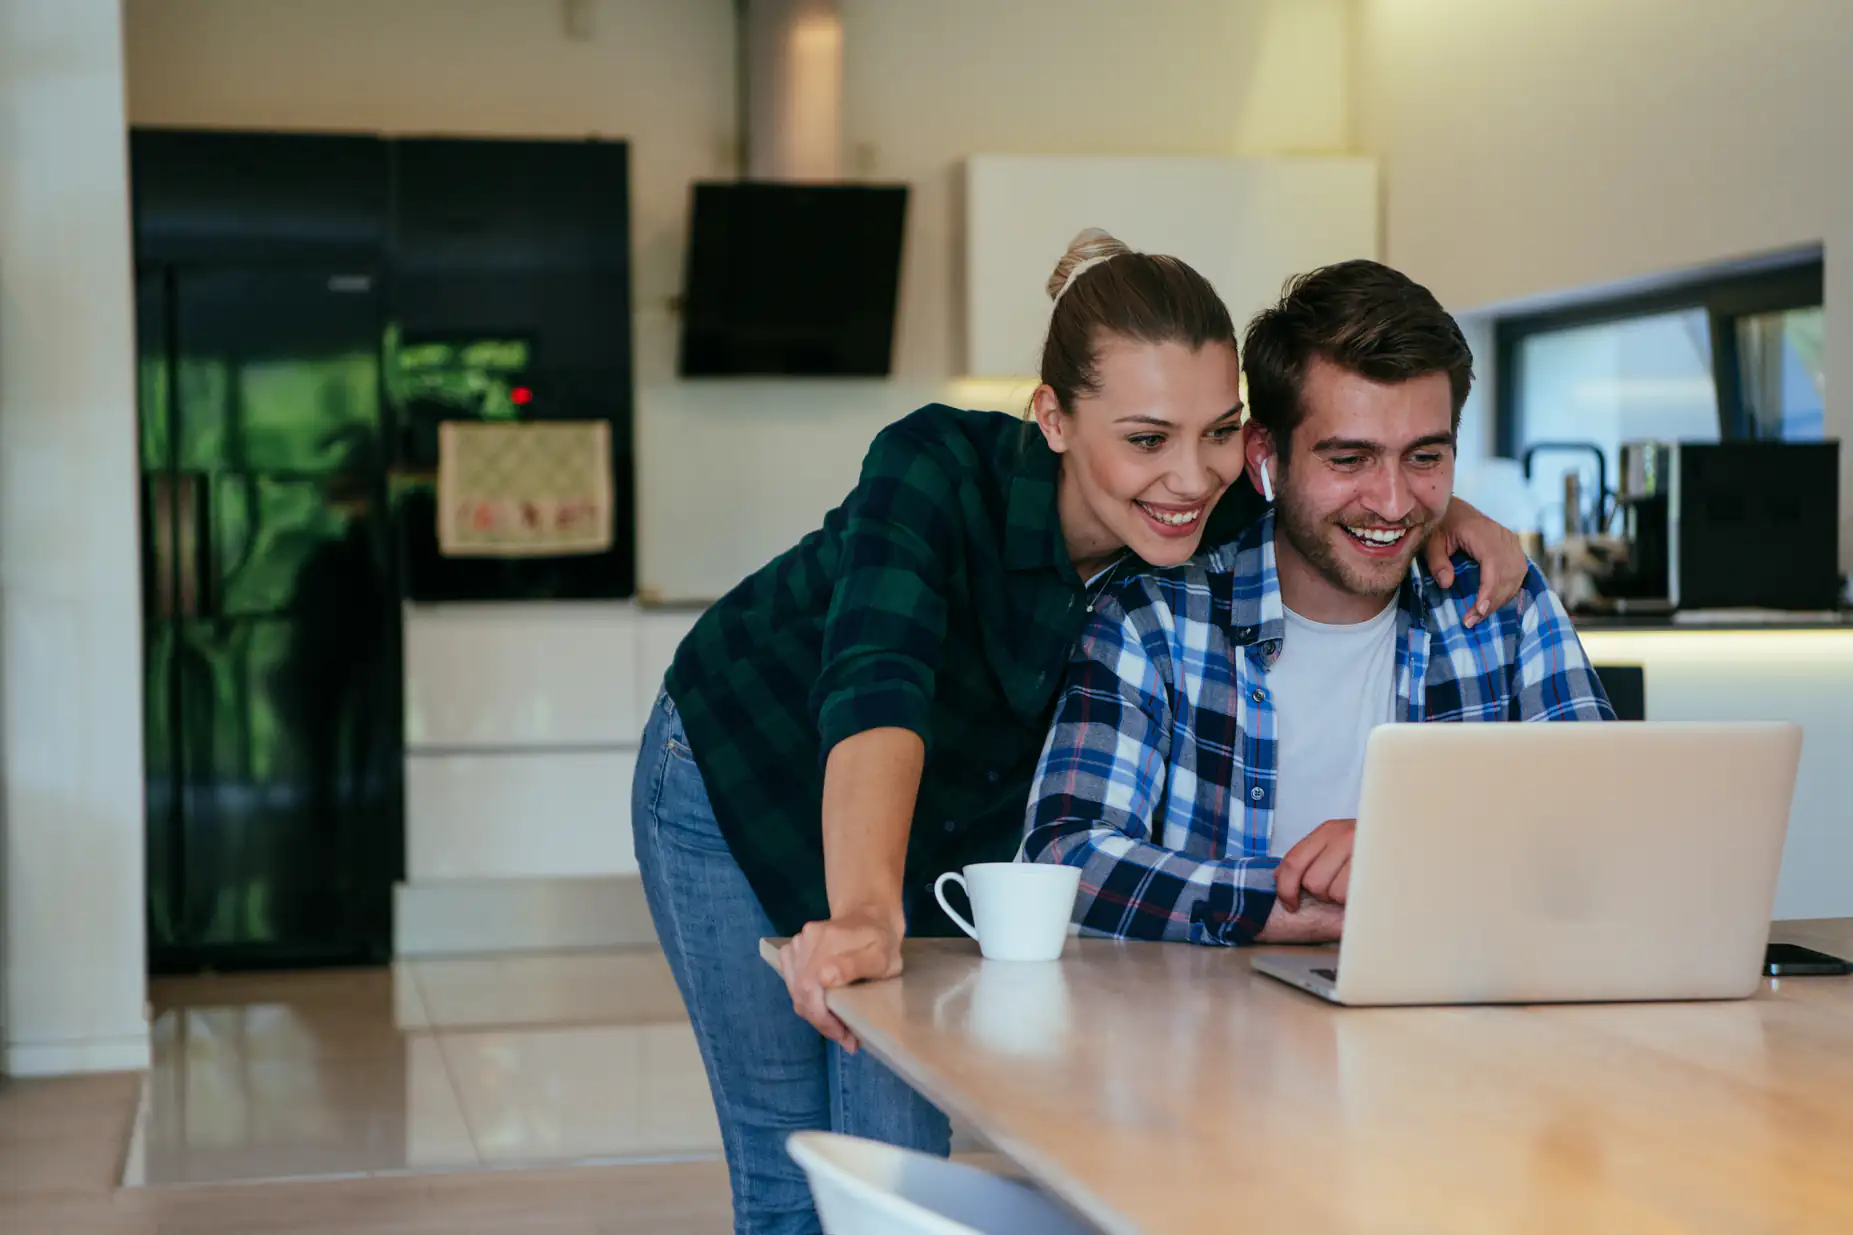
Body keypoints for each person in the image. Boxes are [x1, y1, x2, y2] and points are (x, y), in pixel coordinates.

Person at [631, 231, 1534, 1233]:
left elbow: (1356, 491)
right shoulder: (931, 468)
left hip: (935, 822)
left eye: (1217, 432)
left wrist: (1453, 514)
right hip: (738, 767)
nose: (1190, 478)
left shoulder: (1225, 505)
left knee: (892, 1150)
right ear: (1053, 418)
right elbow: (875, 684)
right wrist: (862, 908)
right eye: (1145, 438)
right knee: (788, 1159)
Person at [1022, 259, 1615, 945]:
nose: (1392, 503)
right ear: (1263, 455)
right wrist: (1286, 902)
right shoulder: (1152, 619)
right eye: (1348, 459)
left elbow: (1602, 828)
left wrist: (1408, 848)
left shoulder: (1503, 602)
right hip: (1208, 1039)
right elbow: (1065, 857)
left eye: (1424, 458)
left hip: (1456, 1029)